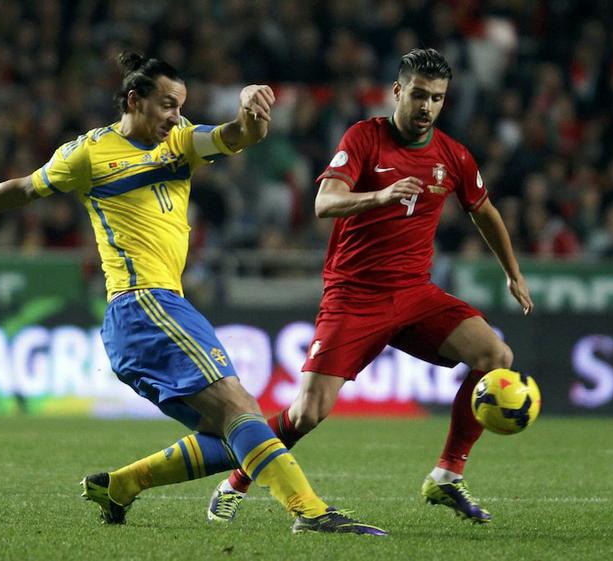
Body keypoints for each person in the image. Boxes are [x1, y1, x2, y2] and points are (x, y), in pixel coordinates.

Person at [0, 52, 386, 536]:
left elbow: (242, 136)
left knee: (227, 430)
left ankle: (121, 485)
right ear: (134, 100)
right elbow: (23, 189)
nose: (176, 116)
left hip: (150, 313)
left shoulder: (180, 142)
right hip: (143, 304)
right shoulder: (88, 154)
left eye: (181, 107)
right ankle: (310, 511)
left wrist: (249, 109)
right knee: (240, 409)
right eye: (168, 105)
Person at [207, 48, 534, 525]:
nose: (426, 106)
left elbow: (484, 211)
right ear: (398, 91)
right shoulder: (364, 138)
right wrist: (381, 195)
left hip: (415, 294)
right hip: (354, 295)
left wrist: (512, 271)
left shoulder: (453, 155)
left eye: (437, 98)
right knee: (307, 414)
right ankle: (236, 480)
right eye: (419, 94)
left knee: (495, 357)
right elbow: (324, 202)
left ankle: (447, 476)